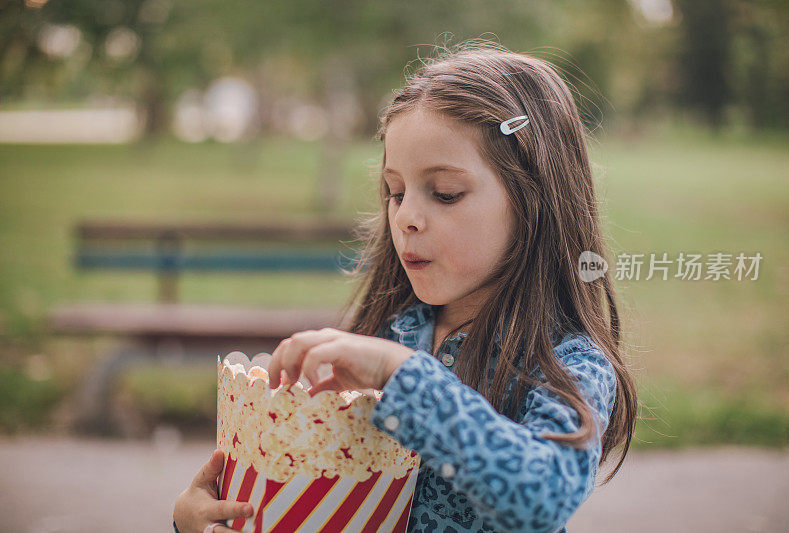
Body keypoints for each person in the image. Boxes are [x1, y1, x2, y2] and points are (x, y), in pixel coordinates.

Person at [173, 40, 637, 533]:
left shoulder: (566, 362)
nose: (407, 217)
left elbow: (543, 494)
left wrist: (405, 376)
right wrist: (204, 517)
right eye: (396, 192)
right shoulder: (387, 335)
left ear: (534, 200)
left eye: (445, 194)